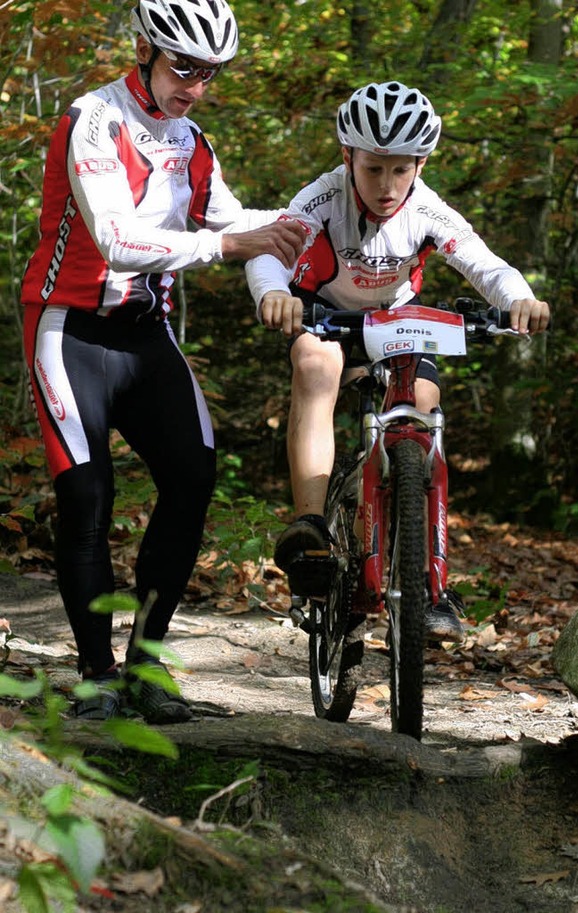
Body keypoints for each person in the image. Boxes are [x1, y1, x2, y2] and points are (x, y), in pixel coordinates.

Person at [21, 0, 306, 722]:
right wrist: (233, 245)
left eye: (210, 73)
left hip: (147, 333)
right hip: (71, 329)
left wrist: (297, 226)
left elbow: (227, 218)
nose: (196, 85)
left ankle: (148, 665)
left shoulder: (190, 138)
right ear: (144, 48)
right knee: (87, 495)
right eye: (184, 67)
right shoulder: (94, 119)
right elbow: (117, 238)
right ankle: (96, 672)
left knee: (193, 474)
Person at [246, 81, 550, 643]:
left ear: (421, 163)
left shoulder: (428, 208)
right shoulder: (320, 197)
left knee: (423, 407)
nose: (387, 186)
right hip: (326, 314)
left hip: (395, 321)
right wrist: (273, 293)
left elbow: (484, 265)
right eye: (373, 169)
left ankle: (428, 581)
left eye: (401, 170)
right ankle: (312, 525)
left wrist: (519, 299)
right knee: (316, 366)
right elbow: (271, 251)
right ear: (348, 158)